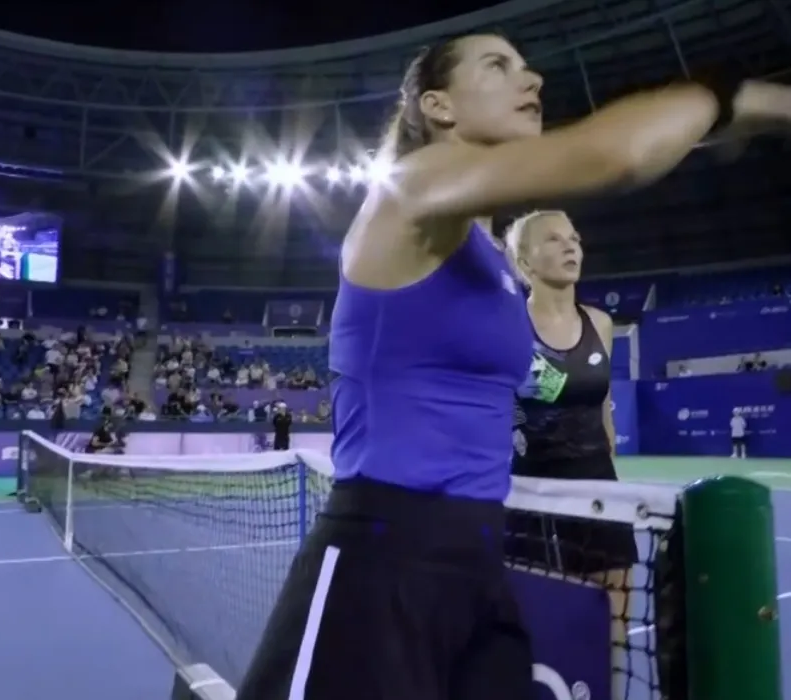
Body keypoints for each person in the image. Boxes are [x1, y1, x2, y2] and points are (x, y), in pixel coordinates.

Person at [235, 32, 791, 700]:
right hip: (384, 558)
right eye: (498, 66)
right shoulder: (410, 188)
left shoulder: (490, 256)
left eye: (527, 66)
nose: (533, 80)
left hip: (480, 554)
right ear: (438, 106)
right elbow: (613, 155)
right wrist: (731, 95)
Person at [502, 210, 637, 699]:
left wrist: (610, 471)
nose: (570, 246)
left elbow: (603, 410)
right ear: (524, 262)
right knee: (538, 623)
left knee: (613, 619)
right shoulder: (506, 325)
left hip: (599, 494)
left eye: (575, 238)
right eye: (554, 239)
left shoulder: (600, 323)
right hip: (529, 499)